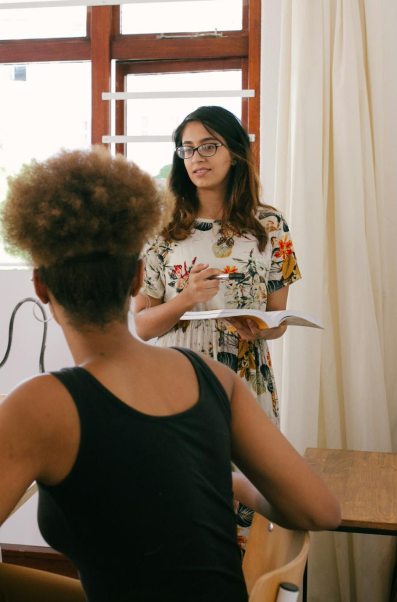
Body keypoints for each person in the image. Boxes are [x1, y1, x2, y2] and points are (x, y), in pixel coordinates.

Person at [0, 148, 340, 602]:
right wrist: (225, 480)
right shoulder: (209, 375)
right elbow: (320, 509)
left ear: (40, 287)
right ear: (138, 277)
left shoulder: (38, 406)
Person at [133, 106, 302, 548]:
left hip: (245, 378)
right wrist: (186, 299)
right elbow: (142, 327)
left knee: (243, 514)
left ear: (236, 154)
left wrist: (261, 329)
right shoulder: (161, 230)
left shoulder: (270, 226)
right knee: (178, 507)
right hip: (175, 380)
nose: (196, 157)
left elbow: (277, 316)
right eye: (187, 149)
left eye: (209, 146)